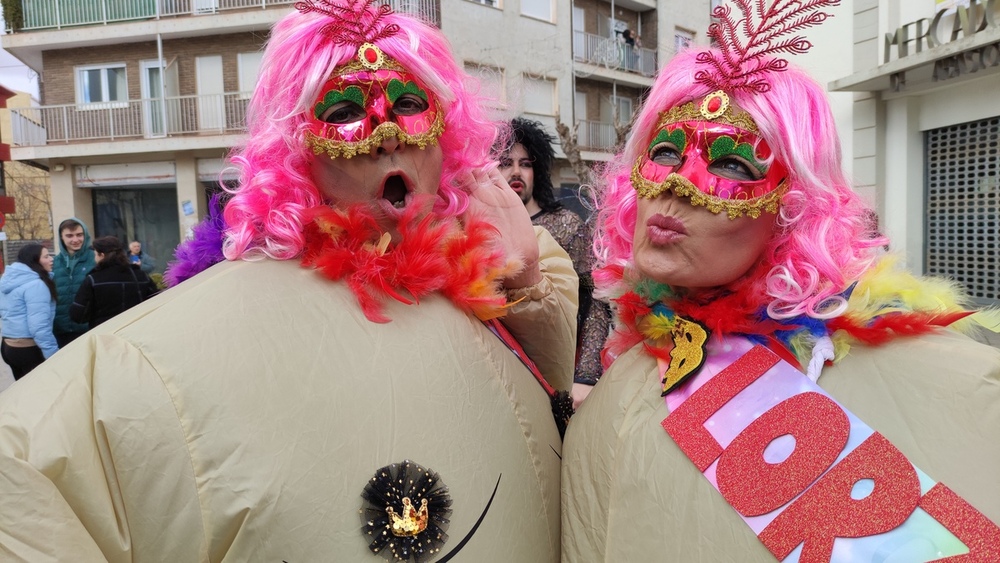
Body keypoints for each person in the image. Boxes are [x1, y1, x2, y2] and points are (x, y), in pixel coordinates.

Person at [0, 1, 577, 561]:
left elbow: (557, 384)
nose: (386, 133)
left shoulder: (494, 257)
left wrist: (521, 278)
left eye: (407, 103)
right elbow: (31, 466)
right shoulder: (205, 324)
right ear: (297, 143)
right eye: (346, 112)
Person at [561, 1, 1000, 560]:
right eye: (665, 151)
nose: (677, 184)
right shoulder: (637, 360)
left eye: (732, 165)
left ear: (791, 209)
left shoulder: (898, 363)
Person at [500, 117, 611, 407]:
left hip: (557, 368)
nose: (516, 171)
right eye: (505, 163)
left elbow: (595, 302)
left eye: (525, 164)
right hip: (502, 368)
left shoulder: (567, 224)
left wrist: (585, 377)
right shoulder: (480, 230)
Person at [70, 236, 158, 329]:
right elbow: (155, 303)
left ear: (102, 255)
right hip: (137, 332)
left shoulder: (94, 279)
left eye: (95, 254)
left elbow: (78, 315)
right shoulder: (141, 276)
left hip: (104, 334)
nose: (94, 258)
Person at [0, 244, 58, 380]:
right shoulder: (36, 285)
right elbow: (39, 327)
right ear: (35, 260)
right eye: (46, 256)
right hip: (28, 349)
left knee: (21, 393)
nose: (51, 259)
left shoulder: (8, 280)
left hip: (8, 346)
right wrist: (54, 355)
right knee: (40, 393)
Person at [51, 217, 95, 347]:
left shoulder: (95, 259)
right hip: (61, 331)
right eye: (69, 236)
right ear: (61, 237)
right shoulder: (53, 263)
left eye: (79, 235)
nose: (75, 240)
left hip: (89, 329)